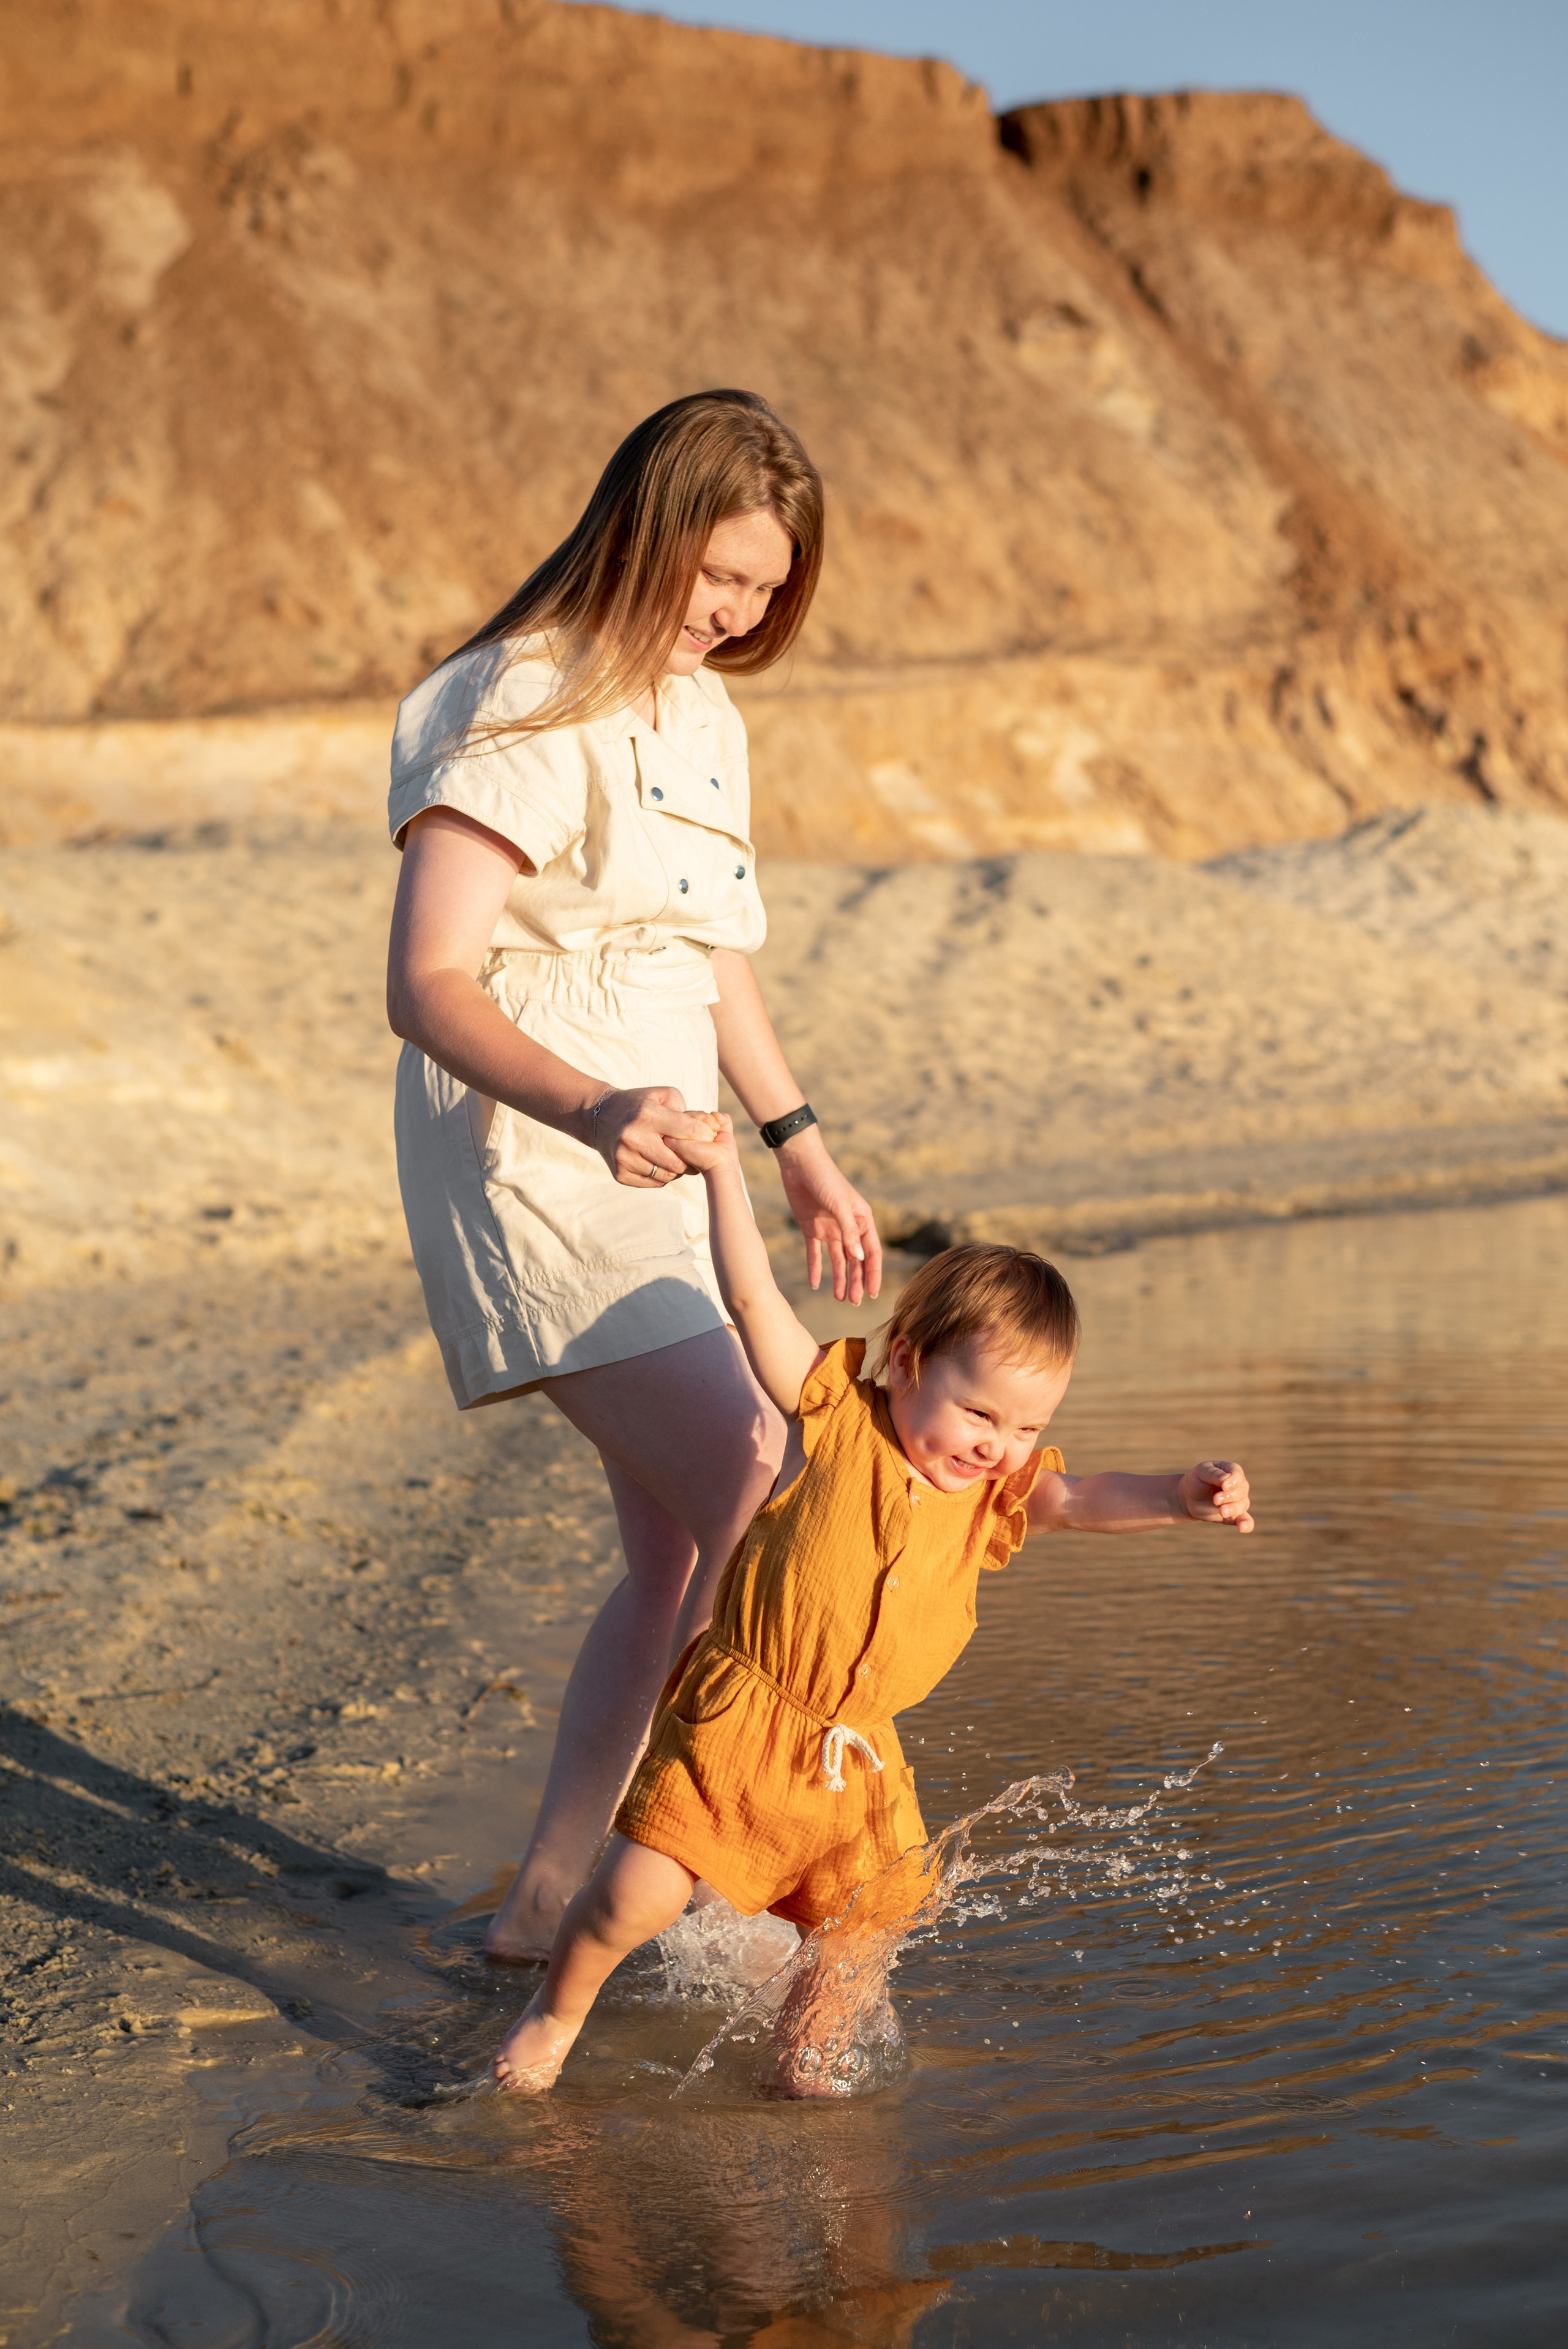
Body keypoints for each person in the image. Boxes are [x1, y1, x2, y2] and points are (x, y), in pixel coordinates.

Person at [385, 391, 881, 1961]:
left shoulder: (708, 715)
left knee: (673, 1545)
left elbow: (711, 956)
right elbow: (429, 979)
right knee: (762, 1480)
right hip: (539, 1159)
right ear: (644, 527)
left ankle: (544, 1912)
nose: (733, 618)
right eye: (717, 576)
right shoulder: (511, 698)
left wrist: (802, 1146)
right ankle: (722, 1880)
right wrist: (595, 1106)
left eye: (761, 593)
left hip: (675, 1163)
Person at [491, 1123, 1255, 2092]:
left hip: (859, 1756)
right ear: (902, 1361)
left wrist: (1178, 1497)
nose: (997, 1446)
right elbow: (753, 1298)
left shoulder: (995, 1496)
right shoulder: (836, 1422)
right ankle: (555, 2017)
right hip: (745, 1719)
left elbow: (1081, 1497)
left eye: (1028, 1427)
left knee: (860, 1933)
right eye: (978, 1413)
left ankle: (804, 2069)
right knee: (632, 1900)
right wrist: (731, 1171)